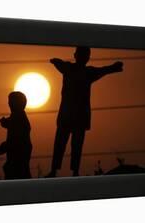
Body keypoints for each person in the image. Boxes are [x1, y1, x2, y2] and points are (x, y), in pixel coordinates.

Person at [46, 46, 123, 177]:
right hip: (75, 116)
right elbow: (104, 70)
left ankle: (61, 171)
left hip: (71, 115)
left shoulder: (73, 69)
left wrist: (54, 61)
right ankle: (69, 171)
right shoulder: (83, 71)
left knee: (65, 144)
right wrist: (114, 67)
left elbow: (58, 63)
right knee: (70, 145)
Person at [0, 91, 32, 180]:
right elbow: (10, 123)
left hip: (17, 160)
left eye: (11, 102)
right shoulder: (18, 117)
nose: (9, 104)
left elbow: (12, 143)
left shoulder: (18, 119)